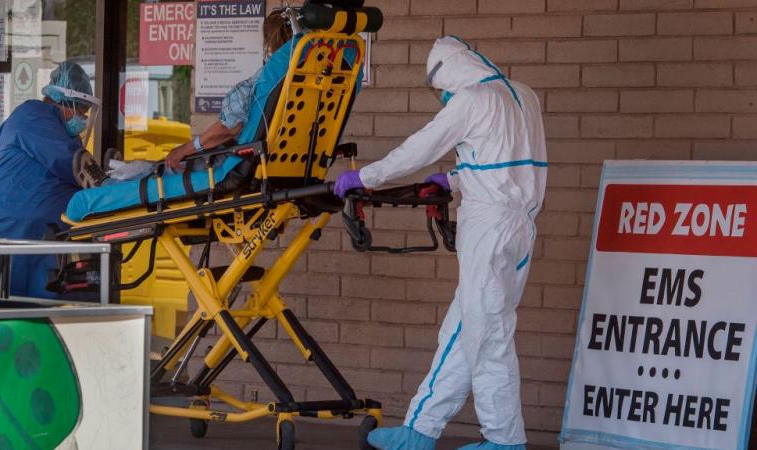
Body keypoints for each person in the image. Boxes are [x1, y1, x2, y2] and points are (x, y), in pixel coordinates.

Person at [334, 35, 548, 450]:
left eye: (441, 90)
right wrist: (452, 179)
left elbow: (419, 148)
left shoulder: (471, 100)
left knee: (487, 333)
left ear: (449, 75)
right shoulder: (524, 94)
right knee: (465, 329)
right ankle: (420, 429)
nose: (444, 97)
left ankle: (505, 441)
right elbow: (510, 162)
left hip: (489, 228)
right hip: (521, 226)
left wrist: (366, 177)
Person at [0, 61, 101, 298]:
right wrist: (110, 185)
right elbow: (75, 164)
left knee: (26, 315)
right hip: (6, 233)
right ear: (65, 103)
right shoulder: (34, 118)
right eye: (81, 112)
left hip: (30, 236)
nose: (83, 119)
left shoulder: (55, 128)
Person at [162, 9, 293, 171]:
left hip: (240, 165)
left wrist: (184, 150)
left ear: (268, 41)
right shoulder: (304, 81)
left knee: (154, 172)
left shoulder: (261, 83)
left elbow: (227, 129)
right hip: (288, 161)